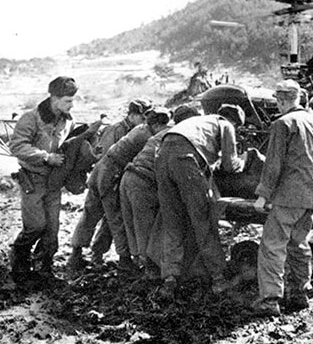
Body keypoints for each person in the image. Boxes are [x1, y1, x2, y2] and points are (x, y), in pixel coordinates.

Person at [252, 79, 313, 316]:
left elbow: (274, 164)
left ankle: (269, 300)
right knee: (299, 243)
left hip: (288, 196)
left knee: (272, 246)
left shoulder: (283, 123)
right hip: (311, 196)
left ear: (282, 100)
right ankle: (300, 293)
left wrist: (263, 195)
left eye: (277, 100)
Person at [155, 104, 246, 299]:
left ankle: (169, 279)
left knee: (172, 222)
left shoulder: (197, 121)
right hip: (185, 160)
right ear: (234, 121)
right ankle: (219, 278)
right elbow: (230, 165)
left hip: (162, 157)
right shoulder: (225, 125)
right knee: (203, 220)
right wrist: (243, 161)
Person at [68, 108, 170, 274]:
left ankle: (77, 254)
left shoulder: (140, 129)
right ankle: (123, 259)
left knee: (90, 213)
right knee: (115, 217)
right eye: (163, 125)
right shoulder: (147, 137)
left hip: (101, 170)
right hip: (111, 174)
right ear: (157, 124)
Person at [9, 76, 79, 283]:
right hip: (33, 179)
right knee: (36, 225)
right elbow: (17, 146)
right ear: (53, 98)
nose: (71, 105)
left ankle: (43, 266)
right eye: (67, 100)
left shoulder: (68, 121)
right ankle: (19, 258)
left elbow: (69, 146)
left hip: (54, 182)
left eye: (73, 100)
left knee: (52, 229)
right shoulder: (31, 118)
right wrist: (46, 157)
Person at [120, 105, 200, 279]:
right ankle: (150, 270)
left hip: (129, 176)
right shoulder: (182, 135)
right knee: (148, 226)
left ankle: (137, 263)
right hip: (143, 180)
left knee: (133, 224)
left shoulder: (165, 132)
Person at [88, 98, 153, 265]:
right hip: (107, 173)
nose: (145, 121)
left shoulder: (138, 130)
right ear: (132, 115)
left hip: (117, 173)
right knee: (97, 214)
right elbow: (106, 155)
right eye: (142, 116)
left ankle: (99, 251)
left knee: (112, 217)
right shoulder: (116, 129)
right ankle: (80, 252)